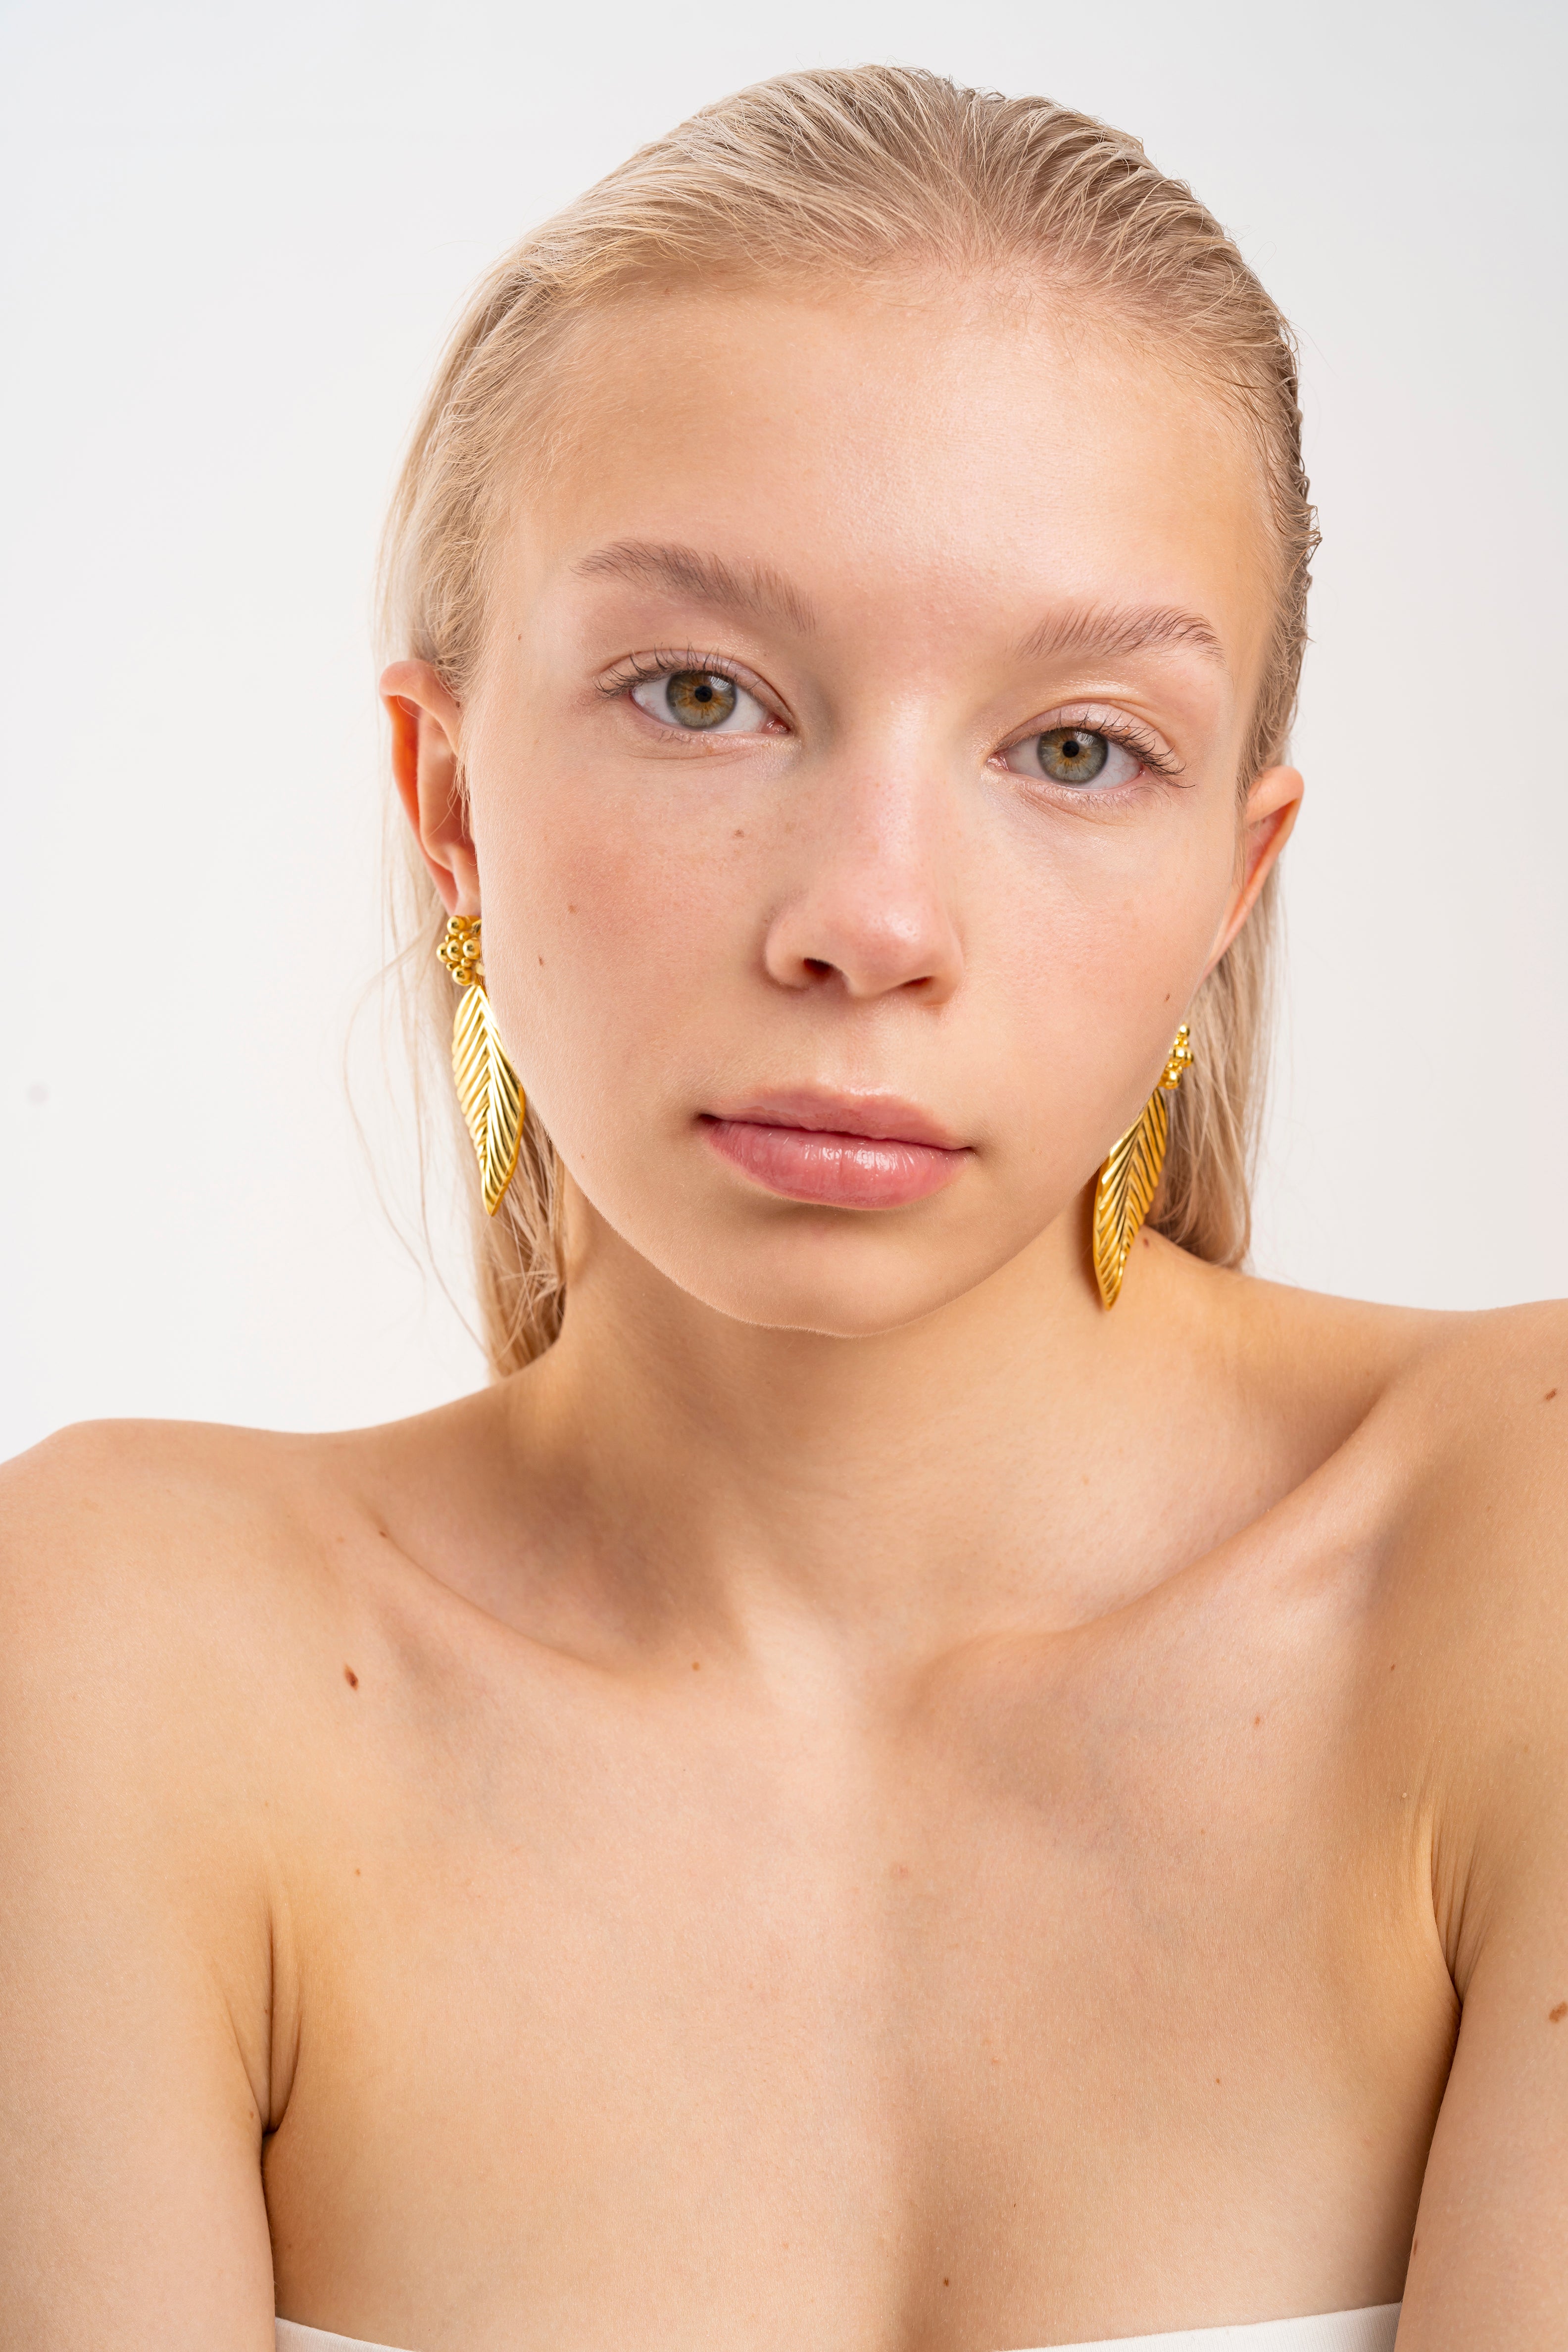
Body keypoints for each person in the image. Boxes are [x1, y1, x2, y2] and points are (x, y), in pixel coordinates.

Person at [2, 62, 1563, 2352]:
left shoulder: (1521, 1546)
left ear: (1232, 886)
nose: (872, 922)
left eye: (1076, 747)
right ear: (448, 798)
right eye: (704, 695)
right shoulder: (118, 1652)